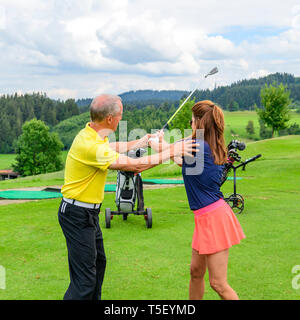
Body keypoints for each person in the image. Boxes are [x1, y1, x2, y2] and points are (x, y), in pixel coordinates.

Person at [58, 94, 198, 300]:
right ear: (109, 119)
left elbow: (113, 147)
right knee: (85, 281)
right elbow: (135, 166)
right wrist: (171, 151)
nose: (120, 119)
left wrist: (142, 141)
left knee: (98, 264)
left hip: (87, 213)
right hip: (77, 215)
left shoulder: (92, 135)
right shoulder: (90, 146)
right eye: (119, 115)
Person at [150, 100, 245, 300]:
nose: (190, 124)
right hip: (205, 217)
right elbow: (177, 158)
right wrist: (162, 144)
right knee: (196, 272)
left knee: (218, 283)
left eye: (192, 120)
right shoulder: (205, 145)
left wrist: (155, 141)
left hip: (214, 218)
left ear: (199, 123)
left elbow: (167, 150)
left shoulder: (198, 146)